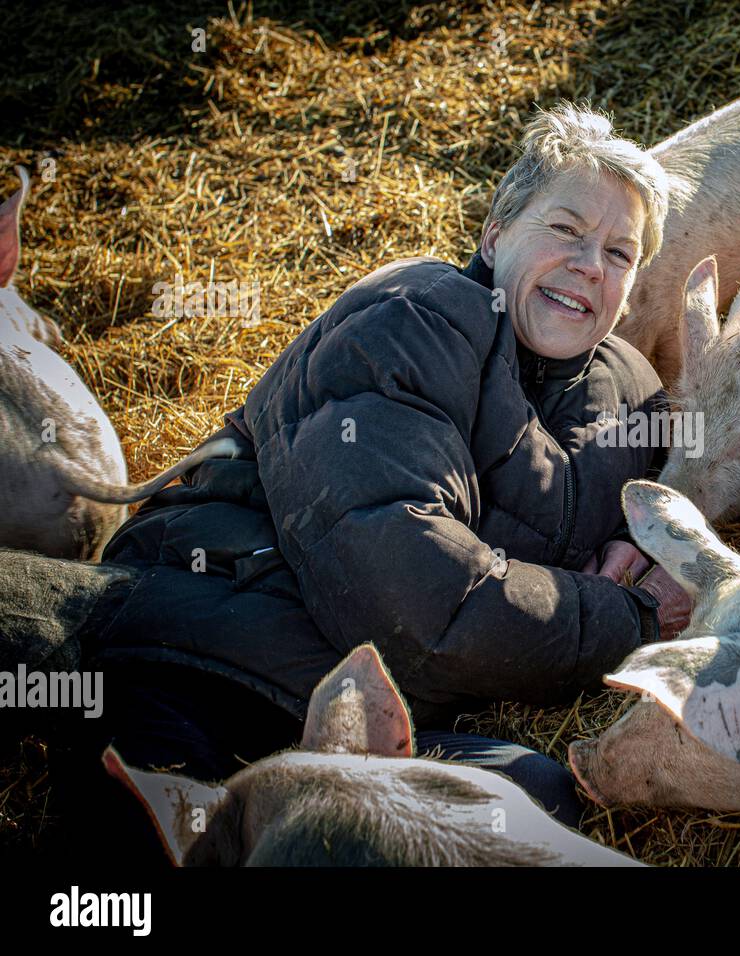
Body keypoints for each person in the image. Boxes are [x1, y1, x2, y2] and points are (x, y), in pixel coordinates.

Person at [8, 102, 695, 863]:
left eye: (621, 253)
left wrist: (645, 550)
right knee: (147, 856)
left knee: (532, 795)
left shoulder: (629, 399)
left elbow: (639, 529)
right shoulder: (411, 321)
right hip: (206, 655)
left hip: (359, 709)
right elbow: (420, 603)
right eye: (565, 229)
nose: (590, 265)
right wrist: (626, 616)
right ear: (495, 232)